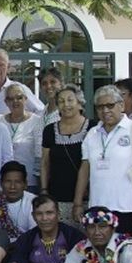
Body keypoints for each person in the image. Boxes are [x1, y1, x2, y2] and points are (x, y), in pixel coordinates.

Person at [72, 84, 132, 234]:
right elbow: (85, 169)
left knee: (126, 252)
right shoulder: (92, 133)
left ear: (121, 105)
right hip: (97, 207)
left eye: (110, 105)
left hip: (128, 207)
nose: (105, 111)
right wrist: (77, 203)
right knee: (98, 255)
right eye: (100, 107)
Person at [41, 86, 94, 222]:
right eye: (61, 101)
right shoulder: (49, 130)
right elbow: (45, 163)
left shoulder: (94, 128)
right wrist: (44, 190)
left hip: (87, 197)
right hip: (57, 197)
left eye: (70, 100)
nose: (66, 105)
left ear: (79, 102)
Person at [0, 83, 42, 190]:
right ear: (6, 102)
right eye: (11, 99)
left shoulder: (36, 121)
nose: (15, 101)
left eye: (19, 97)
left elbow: (39, 153)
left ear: (25, 99)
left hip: (29, 181)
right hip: (5, 181)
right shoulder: (0, 121)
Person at [0, 48, 45, 116]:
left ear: (8, 67)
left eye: (1, 65)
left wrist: (27, 123)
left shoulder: (20, 89)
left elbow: (41, 111)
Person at [0, 162, 34, 241]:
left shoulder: (34, 203)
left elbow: (35, 234)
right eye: (8, 181)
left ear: (25, 184)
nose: (12, 187)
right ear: (0, 183)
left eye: (17, 182)